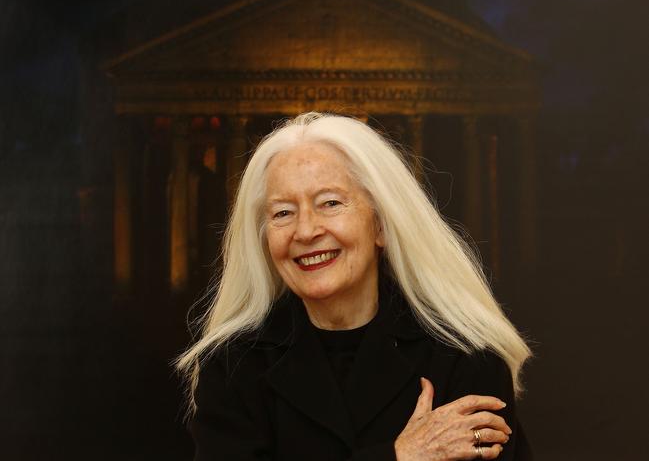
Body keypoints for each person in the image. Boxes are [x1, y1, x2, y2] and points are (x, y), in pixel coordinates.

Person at [175, 112, 533, 461]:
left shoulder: (467, 358)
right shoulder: (231, 368)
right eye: (283, 212)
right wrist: (401, 456)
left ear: (380, 226)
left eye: (330, 203)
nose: (305, 231)